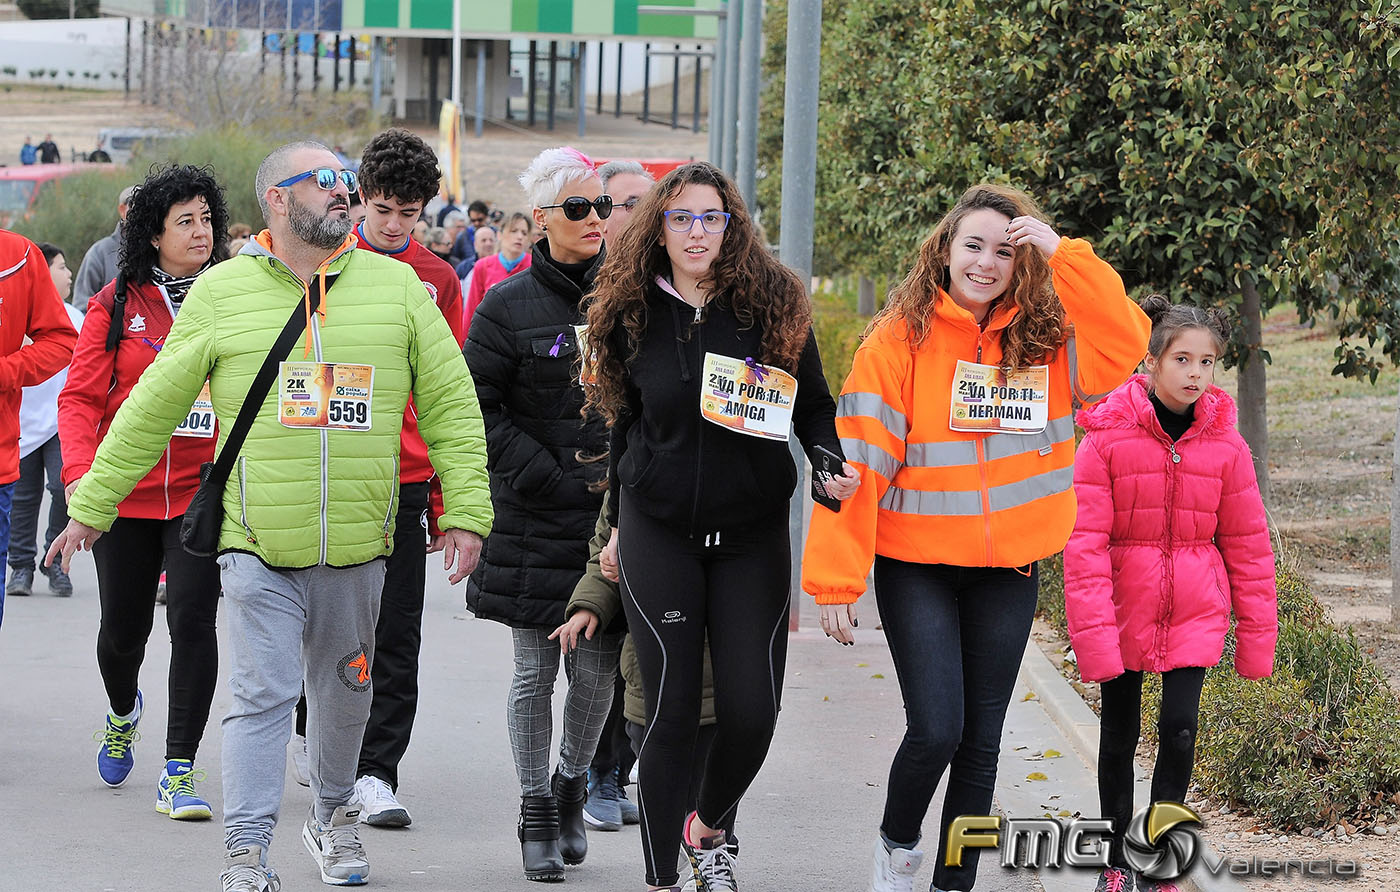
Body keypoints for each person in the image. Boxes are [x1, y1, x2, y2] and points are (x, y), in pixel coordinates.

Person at [48, 139, 492, 892]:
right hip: (255, 541)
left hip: (359, 543)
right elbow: (150, 407)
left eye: (347, 181)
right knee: (261, 695)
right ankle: (247, 851)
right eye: (326, 182)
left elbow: (451, 403)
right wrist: (91, 505)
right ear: (278, 201)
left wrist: (466, 510)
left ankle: (333, 820)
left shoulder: (398, 290)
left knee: (348, 694)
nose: (343, 193)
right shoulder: (223, 293)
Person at [799, 183, 1151, 892]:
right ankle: (897, 852)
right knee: (937, 729)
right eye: (974, 245)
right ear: (945, 251)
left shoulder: (1048, 343)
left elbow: (1127, 338)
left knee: (982, 744)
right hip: (917, 565)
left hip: (1009, 568)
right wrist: (836, 577)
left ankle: (951, 885)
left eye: (1005, 250)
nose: (987, 263)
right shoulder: (899, 339)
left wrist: (1061, 251)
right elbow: (857, 461)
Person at [580, 161, 858, 892]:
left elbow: (815, 408)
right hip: (658, 530)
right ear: (658, 228)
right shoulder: (628, 308)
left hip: (750, 534)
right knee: (669, 711)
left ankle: (707, 828)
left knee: (751, 713)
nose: (696, 231)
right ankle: (665, 878)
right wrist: (617, 522)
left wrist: (827, 461)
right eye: (681, 218)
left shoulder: (774, 303)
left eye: (710, 217)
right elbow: (625, 425)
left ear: (731, 224)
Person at [1064, 296, 1277, 892]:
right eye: (1182, 358)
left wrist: (1257, 637)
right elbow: (1083, 547)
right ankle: (1113, 855)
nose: (1195, 373)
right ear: (1152, 361)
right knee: (1120, 731)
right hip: (1123, 608)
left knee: (1181, 727)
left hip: (1193, 609)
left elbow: (1249, 545)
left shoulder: (1227, 447)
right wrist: (1093, 634)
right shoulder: (1105, 438)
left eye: (1207, 362)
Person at [463, 146, 619, 883]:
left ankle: (570, 785)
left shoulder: (631, 302)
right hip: (532, 513)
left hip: (610, 518)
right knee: (533, 672)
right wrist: (546, 473)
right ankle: (533, 811)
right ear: (543, 220)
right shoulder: (504, 304)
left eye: (604, 207)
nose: (596, 220)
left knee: (595, 673)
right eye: (580, 208)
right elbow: (477, 409)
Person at [57, 163, 231, 815]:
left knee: (193, 620)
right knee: (122, 635)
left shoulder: (234, 297)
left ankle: (179, 769)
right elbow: (78, 397)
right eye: (184, 221)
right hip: (124, 497)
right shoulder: (118, 304)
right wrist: (82, 479)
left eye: (207, 218)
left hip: (200, 494)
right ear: (153, 235)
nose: (200, 231)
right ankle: (122, 706)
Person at [347, 126, 467, 829]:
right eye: (384, 209)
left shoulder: (439, 279)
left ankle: (377, 773)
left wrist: (450, 505)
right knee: (328, 631)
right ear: (362, 199)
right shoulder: (319, 262)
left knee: (396, 634)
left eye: (409, 213)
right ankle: (317, 727)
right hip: (328, 475)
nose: (394, 226)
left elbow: (448, 397)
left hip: (406, 484)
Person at [571, 157, 655, 833]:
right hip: (572, 495)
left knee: (642, 643)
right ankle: (587, 779)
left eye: (637, 203)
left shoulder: (674, 292)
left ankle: (618, 774)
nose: (619, 216)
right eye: (615, 203)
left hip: (638, 491)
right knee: (595, 642)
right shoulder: (587, 290)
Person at [0, 229, 79, 630]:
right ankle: (22, 568)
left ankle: (45, 562)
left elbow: (64, 343)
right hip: (26, 429)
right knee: (32, 496)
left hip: (36, 433)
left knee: (54, 490)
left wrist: (5, 371)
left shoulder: (16, 256)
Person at [461, 212, 532, 331]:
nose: (520, 237)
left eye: (524, 233)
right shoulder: (482, 266)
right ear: (499, 235)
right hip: (490, 338)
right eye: (514, 231)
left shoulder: (534, 265)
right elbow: (471, 310)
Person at [74, 185, 137, 309]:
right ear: (123, 210)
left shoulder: (162, 249)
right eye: (136, 206)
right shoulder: (100, 253)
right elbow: (81, 304)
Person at [451, 199, 492, 268]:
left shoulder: (495, 233)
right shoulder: (463, 237)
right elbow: (455, 258)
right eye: (473, 220)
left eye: (480, 219)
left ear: (486, 217)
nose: (476, 223)